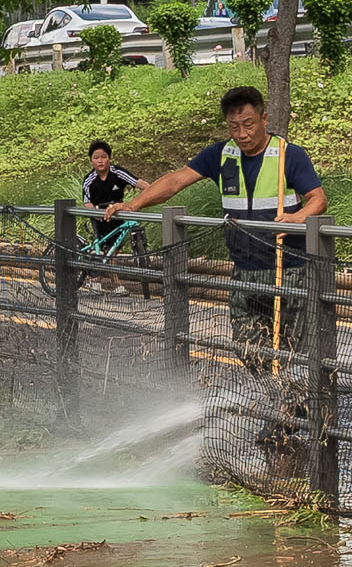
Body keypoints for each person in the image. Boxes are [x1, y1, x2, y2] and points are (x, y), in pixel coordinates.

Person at [104, 85, 325, 371]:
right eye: (234, 127)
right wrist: (133, 204)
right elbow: (175, 181)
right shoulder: (221, 154)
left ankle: (292, 397)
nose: (242, 134)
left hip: (289, 269)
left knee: (293, 352)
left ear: (264, 119)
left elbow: (318, 199)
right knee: (248, 348)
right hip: (244, 269)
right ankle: (269, 391)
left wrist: (299, 217)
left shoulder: (288, 155)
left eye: (248, 124)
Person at [79, 140, 143, 292]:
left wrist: (151, 193)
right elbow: (86, 202)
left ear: (109, 158)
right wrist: (96, 213)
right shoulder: (89, 180)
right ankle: (113, 283)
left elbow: (137, 182)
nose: (100, 161)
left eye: (103, 157)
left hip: (117, 214)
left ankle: (97, 279)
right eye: (96, 158)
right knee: (106, 251)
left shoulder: (118, 172)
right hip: (99, 216)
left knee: (114, 249)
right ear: (91, 161)